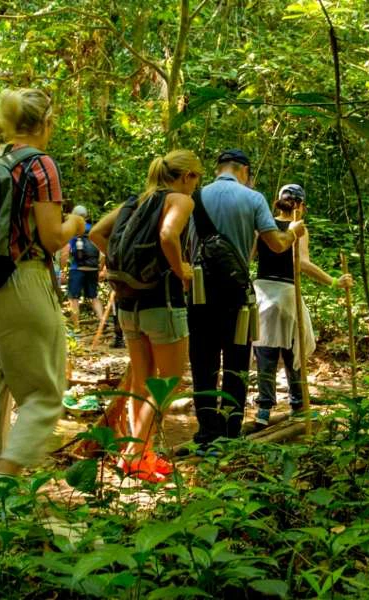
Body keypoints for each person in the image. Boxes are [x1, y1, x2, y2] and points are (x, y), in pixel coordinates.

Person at [0, 88, 85, 505]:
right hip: (20, 281)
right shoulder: (39, 164)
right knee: (44, 394)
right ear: (47, 124)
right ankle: (1, 482)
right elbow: (50, 239)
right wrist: (77, 224)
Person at [90, 150, 201, 481]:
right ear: (186, 177)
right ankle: (138, 454)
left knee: (142, 381)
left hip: (128, 306)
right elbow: (168, 235)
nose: (196, 186)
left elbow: (96, 233)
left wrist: (130, 269)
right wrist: (178, 268)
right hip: (162, 304)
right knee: (168, 383)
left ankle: (137, 453)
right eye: (197, 178)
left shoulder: (134, 202)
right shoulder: (179, 200)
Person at [185, 149, 306, 450]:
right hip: (236, 292)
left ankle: (206, 431)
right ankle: (229, 431)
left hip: (198, 291)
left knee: (202, 360)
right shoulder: (253, 198)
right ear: (244, 171)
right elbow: (276, 245)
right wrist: (294, 233)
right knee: (236, 361)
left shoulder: (193, 197)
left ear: (218, 169)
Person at [252, 184, 353, 428]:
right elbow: (303, 264)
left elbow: (250, 255)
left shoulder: (262, 225)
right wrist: (333, 281)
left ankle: (263, 410)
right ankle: (297, 404)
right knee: (293, 349)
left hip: (262, 292)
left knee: (265, 350)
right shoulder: (299, 229)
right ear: (300, 205)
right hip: (286, 294)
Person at [61, 205, 105, 332]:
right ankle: (101, 321)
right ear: (86, 216)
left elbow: (65, 252)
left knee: (73, 297)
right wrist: (99, 268)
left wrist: (63, 270)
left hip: (77, 268)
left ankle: (76, 327)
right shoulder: (94, 230)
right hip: (92, 269)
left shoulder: (74, 231)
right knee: (94, 297)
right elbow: (102, 253)